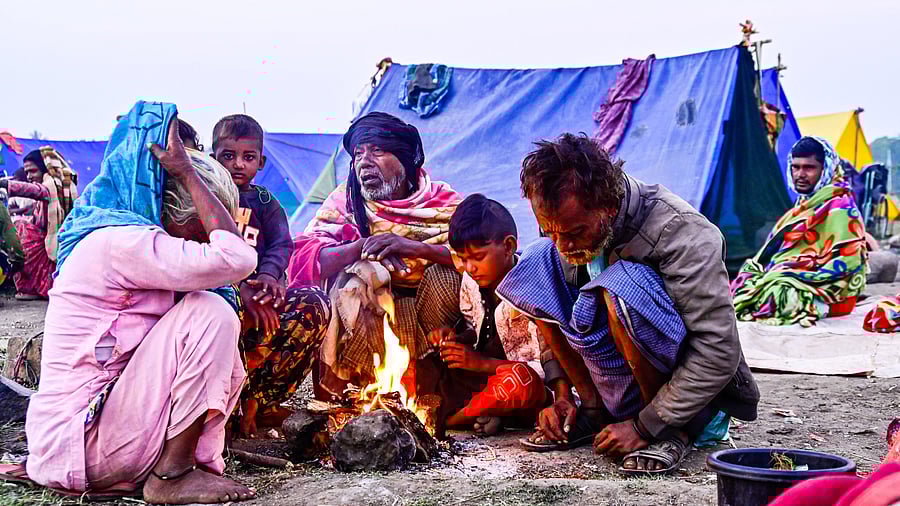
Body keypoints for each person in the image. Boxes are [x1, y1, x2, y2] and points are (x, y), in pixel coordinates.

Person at [25, 102, 257, 504]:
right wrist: (186, 171)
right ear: (175, 211)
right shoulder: (123, 243)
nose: (207, 235)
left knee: (210, 305)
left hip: (85, 443)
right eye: (203, 222)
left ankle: (183, 465)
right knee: (210, 312)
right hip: (84, 445)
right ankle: (171, 475)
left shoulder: (125, 242)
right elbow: (238, 258)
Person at [496, 133, 759, 474]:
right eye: (551, 231)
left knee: (621, 286)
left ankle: (668, 433)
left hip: (686, 403)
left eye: (574, 233)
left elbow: (717, 352)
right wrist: (562, 392)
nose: (563, 245)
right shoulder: (565, 234)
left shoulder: (681, 232)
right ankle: (592, 410)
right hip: (616, 383)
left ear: (608, 205)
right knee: (535, 264)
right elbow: (548, 303)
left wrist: (645, 426)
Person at [287, 111, 463, 402]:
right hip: (371, 322)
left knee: (446, 273)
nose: (364, 161)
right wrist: (361, 246)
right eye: (358, 153)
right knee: (358, 273)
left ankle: (437, 389)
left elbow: (480, 254)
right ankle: (358, 391)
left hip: (432, 324)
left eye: (377, 150)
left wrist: (416, 248)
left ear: (406, 160)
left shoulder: (442, 203)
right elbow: (306, 258)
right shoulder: (345, 202)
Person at [210, 114, 330, 437]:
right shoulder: (205, 200)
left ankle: (258, 403)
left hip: (261, 294)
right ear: (212, 157)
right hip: (218, 299)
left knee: (315, 304)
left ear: (261, 162)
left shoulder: (266, 203)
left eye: (248, 157)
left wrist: (270, 278)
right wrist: (236, 290)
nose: (238, 165)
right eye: (228, 156)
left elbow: (281, 244)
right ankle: (220, 411)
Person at [429, 194, 547, 436]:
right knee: (429, 366)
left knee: (520, 382)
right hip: (484, 378)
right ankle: (489, 413)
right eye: (463, 259)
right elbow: (478, 328)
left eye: (478, 257)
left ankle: (452, 421)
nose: (469, 268)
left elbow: (544, 366)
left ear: (508, 246)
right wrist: (456, 338)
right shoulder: (470, 283)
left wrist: (480, 364)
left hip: (526, 381)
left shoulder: (531, 289)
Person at [731, 136, 867, 326]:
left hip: (832, 293)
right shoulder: (803, 205)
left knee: (779, 295)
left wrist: (795, 272)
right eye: (796, 167)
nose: (800, 174)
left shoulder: (842, 208)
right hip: (792, 277)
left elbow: (850, 262)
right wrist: (781, 270)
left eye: (809, 168)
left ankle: (817, 307)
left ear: (826, 168)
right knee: (744, 281)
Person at [0, 148, 77, 300]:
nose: (29, 176)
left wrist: (5, 184)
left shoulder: (52, 185)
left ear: (45, 169)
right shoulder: (55, 186)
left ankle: (33, 286)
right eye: (27, 172)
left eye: (33, 171)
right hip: (48, 243)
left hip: (51, 246)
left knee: (20, 226)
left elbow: (35, 191)